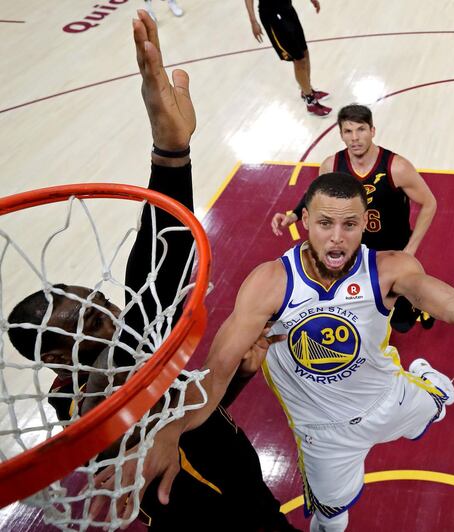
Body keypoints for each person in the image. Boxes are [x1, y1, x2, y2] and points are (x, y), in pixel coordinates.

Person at [121, 154, 454, 528]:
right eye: (324, 223)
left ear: (366, 222)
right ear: (304, 221)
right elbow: (220, 368)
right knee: (331, 521)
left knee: (431, 403)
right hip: (325, 434)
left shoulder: (389, 268)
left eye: (350, 224)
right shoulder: (270, 284)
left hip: (390, 397)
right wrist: (171, 432)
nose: (337, 238)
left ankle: (428, 385)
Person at [7, 11, 297, 531]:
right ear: (55, 354)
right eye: (93, 322)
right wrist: (171, 156)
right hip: (215, 517)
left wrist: (239, 378)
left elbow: (186, 413)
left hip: (241, 483)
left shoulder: (134, 353)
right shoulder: (82, 402)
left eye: (101, 303)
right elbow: (154, 289)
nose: (115, 313)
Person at [271, 104, 438, 333]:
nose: (355, 138)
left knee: (402, 323)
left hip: (393, 250)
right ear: (341, 134)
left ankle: (418, 306)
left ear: (372, 130)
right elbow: (316, 197)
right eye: (348, 132)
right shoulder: (332, 165)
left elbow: (429, 203)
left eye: (361, 130)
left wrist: (410, 249)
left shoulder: (396, 167)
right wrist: (294, 215)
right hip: (355, 251)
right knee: (361, 308)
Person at [245, 0, 331, 117]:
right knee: (299, 59)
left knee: (304, 52)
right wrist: (253, 21)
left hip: (288, 9)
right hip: (273, 16)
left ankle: (307, 89)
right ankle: (310, 102)